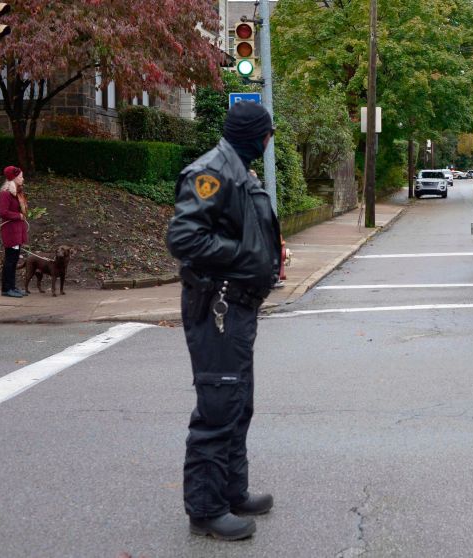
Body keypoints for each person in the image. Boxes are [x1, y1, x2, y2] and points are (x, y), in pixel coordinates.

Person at [167, 101, 281, 541]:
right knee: (218, 407)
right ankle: (206, 510)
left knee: (237, 401)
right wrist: (247, 258)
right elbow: (184, 237)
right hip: (217, 305)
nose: (269, 142)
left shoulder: (238, 168)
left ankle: (232, 491)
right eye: (267, 134)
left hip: (236, 305)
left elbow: (235, 229)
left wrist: (264, 255)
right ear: (255, 133)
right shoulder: (212, 170)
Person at [0, 166, 28, 298]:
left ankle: (12, 286)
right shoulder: (5, 193)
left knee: (14, 259)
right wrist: (19, 216)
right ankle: (6, 288)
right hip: (10, 231)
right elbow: (3, 212)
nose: (22, 179)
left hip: (17, 230)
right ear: (14, 178)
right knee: (10, 260)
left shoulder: (17, 193)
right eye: (20, 176)